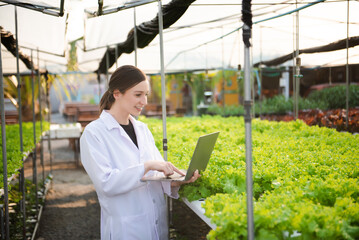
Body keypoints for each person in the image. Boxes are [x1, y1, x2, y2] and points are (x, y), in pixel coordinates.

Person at [80, 65, 200, 240]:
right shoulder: (94, 133)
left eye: (146, 95)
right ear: (116, 93)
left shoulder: (142, 129)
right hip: (126, 229)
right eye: (138, 95)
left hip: (156, 223)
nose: (144, 101)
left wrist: (177, 180)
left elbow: (155, 176)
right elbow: (106, 184)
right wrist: (148, 166)